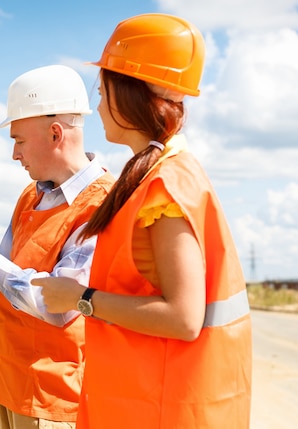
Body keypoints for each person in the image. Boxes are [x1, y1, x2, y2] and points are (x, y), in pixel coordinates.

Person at [32, 13, 252, 428]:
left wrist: (80, 298)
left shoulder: (166, 184)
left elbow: (183, 318)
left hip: (165, 409)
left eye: (103, 91)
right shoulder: (152, 175)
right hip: (142, 401)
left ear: (130, 94)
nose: (97, 106)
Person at [0, 64, 114, 428]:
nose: (14, 154)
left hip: (55, 396)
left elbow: (59, 305)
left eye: (20, 140)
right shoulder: (31, 196)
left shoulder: (101, 205)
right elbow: (8, 291)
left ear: (56, 133)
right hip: (12, 383)